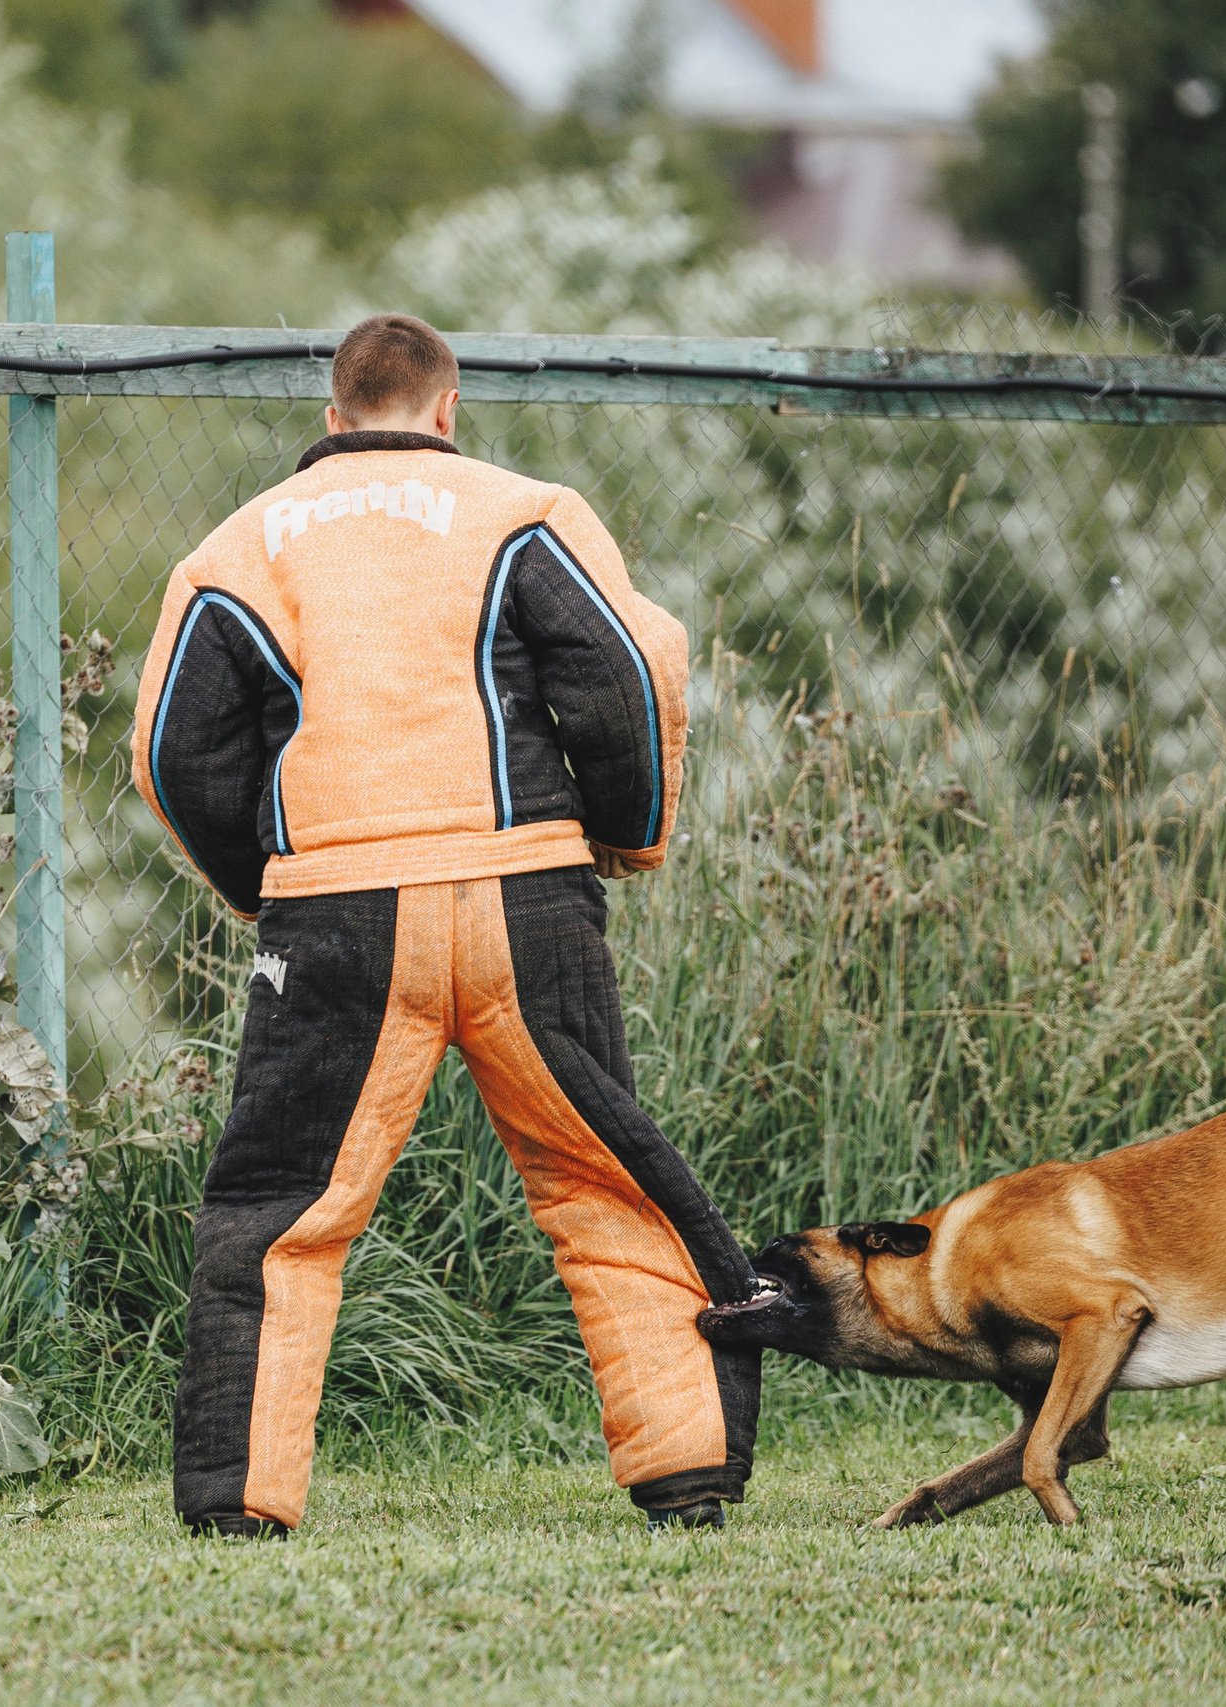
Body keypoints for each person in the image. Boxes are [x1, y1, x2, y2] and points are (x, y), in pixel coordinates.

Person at [131, 313, 761, 1536]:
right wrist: (625, 836)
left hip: (336, 914)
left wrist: (261, 878)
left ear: (332, 418)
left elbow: (174, 748)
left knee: (279, 1208)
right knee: (601, 1177)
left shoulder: (236, 545)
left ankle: (240, 1503)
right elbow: (628, 672)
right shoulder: (522, 510)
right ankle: (684, 1471)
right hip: (524, 897)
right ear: (448, 408)